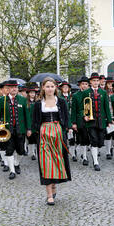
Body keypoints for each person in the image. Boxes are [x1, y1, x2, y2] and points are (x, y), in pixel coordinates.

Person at [31, 77, 72, 206]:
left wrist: (66, 129)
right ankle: (49, 194)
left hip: (58, 134)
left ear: (55, 88)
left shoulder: (61, 102)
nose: (49, 89)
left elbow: (66, 117)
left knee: (57, 160)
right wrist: (38, 131)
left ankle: (54, 185)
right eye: (47, 86)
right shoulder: (38, 104)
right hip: (44, 134)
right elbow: (34, 121)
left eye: (52, 86)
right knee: (46, 162)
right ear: (43, 88)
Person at [0, 80, 31, 179]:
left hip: (21, 129)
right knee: (9, 150)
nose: (14, 89)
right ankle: (12, 171)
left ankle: (16, 163)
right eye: (12, 87)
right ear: (8, 89)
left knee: (21, 151)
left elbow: (27, 115)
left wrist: (29, 128)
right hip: (8, 130)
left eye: (16, 87)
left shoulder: (23, 100)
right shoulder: (2, 100)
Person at [80, 72, 113, 171]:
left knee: (100, 141)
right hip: (91, 121)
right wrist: (84, 115)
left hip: (101, 120)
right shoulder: (86, 92)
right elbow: (82, 107)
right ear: (90, 82)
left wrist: (110, 120)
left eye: (97, 80)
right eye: (94, 80)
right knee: (94, 140)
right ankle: (95, 161)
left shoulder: (103, 93)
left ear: (99, 82)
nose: (95, 82)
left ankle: (94, 151)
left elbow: (106, 107)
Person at [71, 76, 90, 166]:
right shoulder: (75, 95)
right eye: (83, 84)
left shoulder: (91, 94)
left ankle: (85, 156)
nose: (84, 86)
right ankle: (80, 154)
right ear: (79, 85)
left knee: (87, 138)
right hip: (79, 120)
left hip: (90, 119)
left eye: (86, 84)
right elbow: (73, 110)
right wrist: (73, 123)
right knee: (80, 139)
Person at [26, 83, 38, 161]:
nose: (32, 94)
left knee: (36, 139)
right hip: (29, 122)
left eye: (33, 93)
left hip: (36, 123)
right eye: (31, 93)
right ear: (28, 94)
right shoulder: (26, 103)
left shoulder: (38, 102)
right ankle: (32, 153)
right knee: (30, 140)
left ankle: (36, 152)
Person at [104, 76, 114, 159]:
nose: (110, 85)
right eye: (109, 83)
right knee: (109, 133)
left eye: (112, 83)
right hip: (108, 115)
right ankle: (108, 151)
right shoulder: (104, 93)